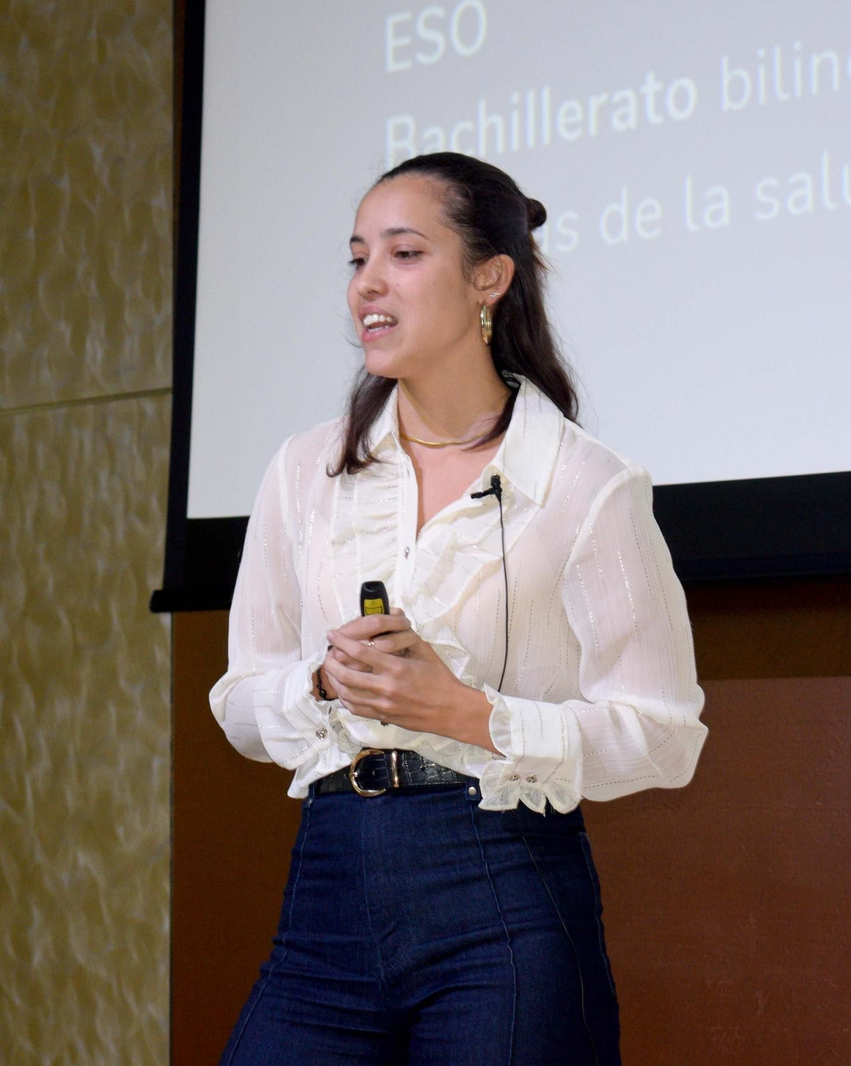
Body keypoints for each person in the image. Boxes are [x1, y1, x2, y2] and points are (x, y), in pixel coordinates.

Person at [210, 151, 707, 1066]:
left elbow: (665, 736)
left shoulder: (583, 484)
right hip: (328, 891)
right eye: (357, 258)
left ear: (490, 278)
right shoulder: (306, 471)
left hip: (503, 899)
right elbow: (240, 701)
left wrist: (465, 712)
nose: (367, 283)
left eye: (403, 254)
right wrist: (324, 682)